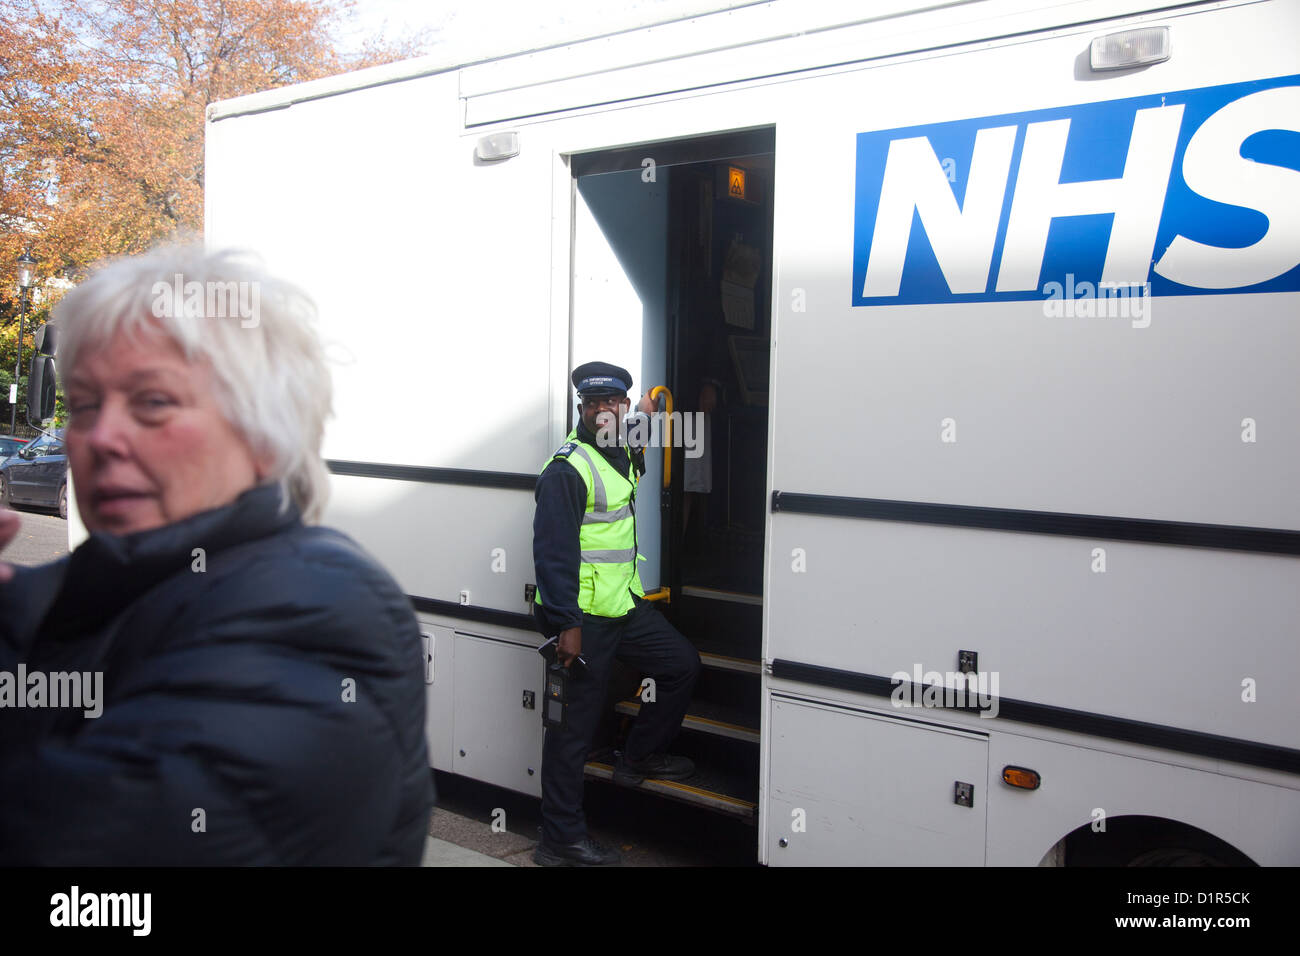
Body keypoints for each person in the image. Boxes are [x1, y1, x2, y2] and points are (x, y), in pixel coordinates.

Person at [0, 245, 433, 865]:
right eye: (85, 404)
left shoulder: (317, 607)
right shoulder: (105, 588)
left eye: (152, 402)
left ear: (264, 436)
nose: (99, 437)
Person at [531, 361, 701, 866]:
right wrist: (567, 627)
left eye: (615, 403)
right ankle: (558, 841)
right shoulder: (568, 468)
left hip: (621, 604)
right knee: (571, 733)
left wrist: (648, 409)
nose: (605, 410)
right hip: (580, 618)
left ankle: (638, 757)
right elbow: (553, 555)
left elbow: (639, 432)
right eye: (594, 404)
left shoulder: (622, 443)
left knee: (681, 665)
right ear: (581, 409)